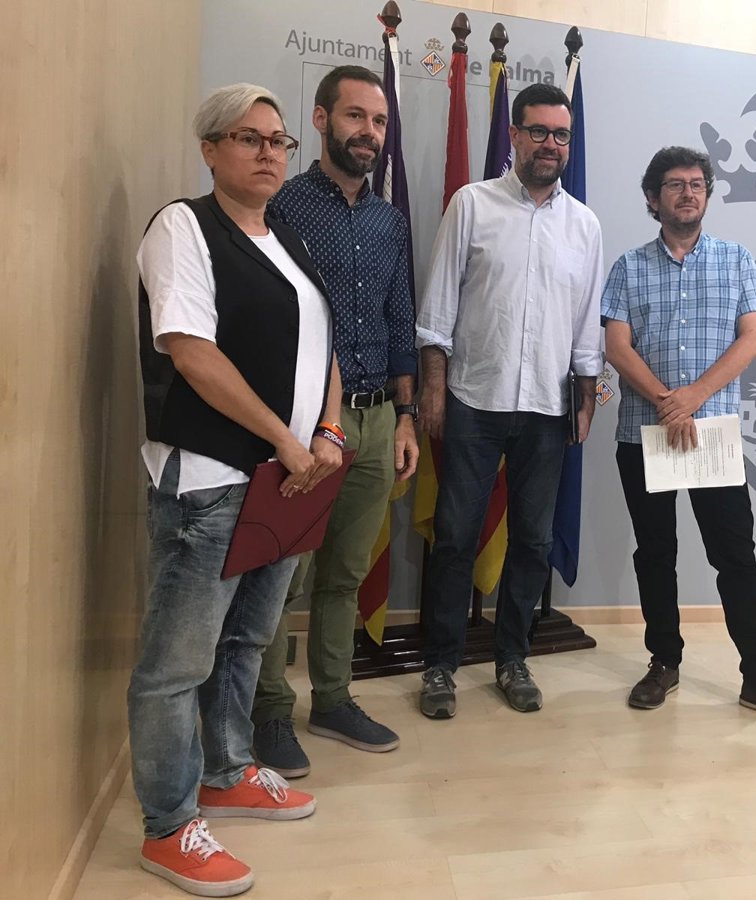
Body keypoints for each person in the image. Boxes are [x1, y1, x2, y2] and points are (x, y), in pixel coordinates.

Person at [130, 83, 338, 897]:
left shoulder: (286, 236)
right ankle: (169, 827)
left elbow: (323, 344)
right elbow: (190, 350)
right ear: (210, 149)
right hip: (212, 480)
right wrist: (285, 438)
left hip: (285, 480)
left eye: (278, 140)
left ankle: (225, 771)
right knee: (175, 665)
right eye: (248, 138)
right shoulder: (183, 227)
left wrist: (325, 431)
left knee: (248, 640)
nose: (268, 153)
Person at [600, 146, 756, 728]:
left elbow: (751, 340)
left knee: (736, 558)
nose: (688, 193)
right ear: (653, 198)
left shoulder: (736, 259)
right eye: (675, 184)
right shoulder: (628, 266)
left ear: (707, 194)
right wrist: (666, 402)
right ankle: (663, 663)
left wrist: (693, 397)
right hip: (644, 434)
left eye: (697, 184)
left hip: (713, 436)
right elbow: (617, 347)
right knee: (655, 554)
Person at [251, 65, 419, 776]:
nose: (368, 133)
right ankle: (267, 711)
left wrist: (407, 418)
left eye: (378, 122)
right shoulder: (281, 207)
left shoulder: (389, 221)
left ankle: (332, 698)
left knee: (345, 572)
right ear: (320, 120)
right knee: (280, 575)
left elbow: (400, 320)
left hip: (378, 422)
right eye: (355, 117)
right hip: (305, 423)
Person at [416, 83, 603, 717]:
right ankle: (440, 666)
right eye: (539, 131)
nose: (551, 144)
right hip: (474, 398)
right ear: (515, 135)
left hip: (549, 408)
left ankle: (512, 658)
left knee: (533, 542)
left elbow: (585, 323)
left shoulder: (584, 225)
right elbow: (438, 307)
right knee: (454, 538)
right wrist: (434, 390)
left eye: (562, 135)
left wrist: (585, 397)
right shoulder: (472, 204)